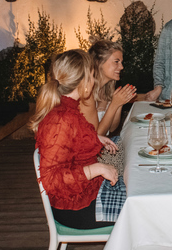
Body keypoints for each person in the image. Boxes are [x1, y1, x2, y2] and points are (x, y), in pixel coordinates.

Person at [30, 49, 121, 229]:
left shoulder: (67, 108)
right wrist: (97, 168)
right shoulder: (61, 119)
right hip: (76, 208)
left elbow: (71, 139)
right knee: (140, 210)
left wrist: (93, 138)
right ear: (83, 81)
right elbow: (51, 180)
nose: (94, 81)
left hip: (89, 192)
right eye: (92, 76)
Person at [80, 40, 136, 136]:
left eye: (121, 62)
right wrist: (114, 104)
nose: (121, 67)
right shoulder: (87, 93)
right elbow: (95, 137)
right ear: (99, 63)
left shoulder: (107, 88)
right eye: (116, 62)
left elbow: (112, 128)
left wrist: (120, 103)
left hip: (103, 143)